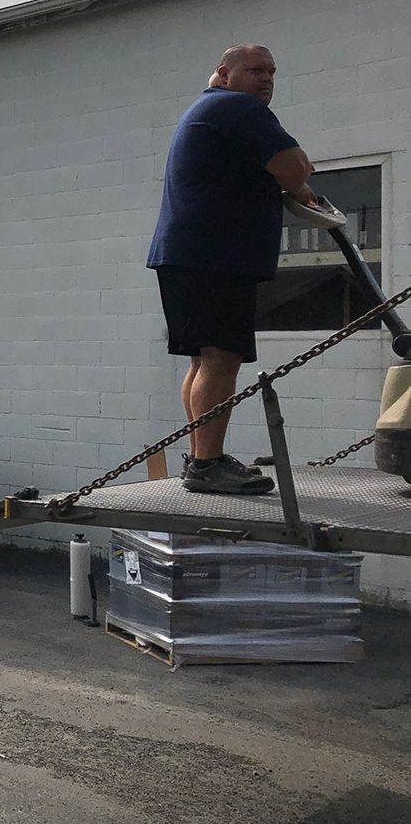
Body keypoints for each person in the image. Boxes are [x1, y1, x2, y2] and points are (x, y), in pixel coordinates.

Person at [146, 45, 316, 494]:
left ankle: (201, 459)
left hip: (186, 255)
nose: (266, 79)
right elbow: (295, 167)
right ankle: (208, 464)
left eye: (272, 72)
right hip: (216, 257)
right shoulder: (237, 106)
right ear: (223, 74)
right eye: (255, 70)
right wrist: (298, 185)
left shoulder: (209, 111)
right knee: (222, 359)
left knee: (204, 360)